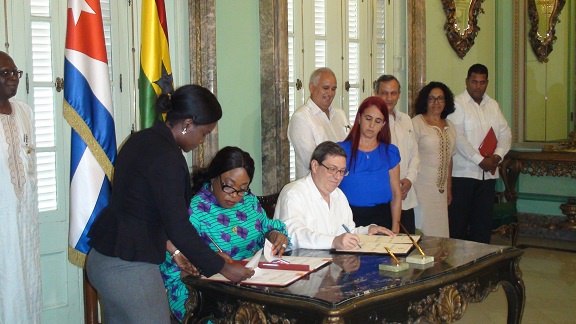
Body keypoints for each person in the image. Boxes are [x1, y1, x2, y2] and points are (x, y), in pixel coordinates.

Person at [86, 85, 254, 324]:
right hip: (129, 269)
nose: (202, 142)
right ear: (187, 124)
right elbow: (179, 226)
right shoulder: (167, 158)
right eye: (204, 134)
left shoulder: (140, 140)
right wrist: (222, 268)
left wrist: (174, 251)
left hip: (104, 261)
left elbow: (141, 208)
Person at [159, 146, 289, 322]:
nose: (235, 196)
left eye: (242, 188)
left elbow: (267, 227)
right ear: (214, 177)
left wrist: (274, 234)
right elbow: (175, 268)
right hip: (203, 292)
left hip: (251, 284)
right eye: (229, 186)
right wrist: (211, 261)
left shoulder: (249, 202)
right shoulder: (194, 211)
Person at [274, 141, 395, 250]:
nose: (337, 177)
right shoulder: (294, 193)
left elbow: (347, 232)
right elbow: (293, 235)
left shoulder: (338, 195)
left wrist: (368, 230)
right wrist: (333, 241)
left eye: (342, 171)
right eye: (332, 169)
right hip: (298, 265)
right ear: (315, 166)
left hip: (331, 264)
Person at [447, 64, 511, 243]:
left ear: (487, 83)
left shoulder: (493, 105)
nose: (478, 86)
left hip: (488, 175)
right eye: (474, 82)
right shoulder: (457, 104)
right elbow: (457, 136)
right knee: (458, 224)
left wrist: (497, 156)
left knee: (482, 224)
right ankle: (459, 264)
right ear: (467, 81)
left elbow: (505, 132)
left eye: (482, 82)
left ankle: (481, 264)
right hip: (463, 175)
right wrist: (479, 160)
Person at [0, 51, 42, 323]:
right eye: (6, 73)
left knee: (27, 284)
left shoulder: (24, 111)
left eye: (16, 72)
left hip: (25, 218)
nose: (13, 78)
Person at [337, 96, 402, 233]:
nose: (372, 125)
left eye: (377, 121)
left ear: (383, 124)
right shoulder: (341, 151)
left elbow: (396, 193)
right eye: (368, 118)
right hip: (349, 219)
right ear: (359, 118)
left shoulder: (390, 152)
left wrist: (395, 227)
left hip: (383, 219)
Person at [374, 75, 419, 233]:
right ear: (376, 93)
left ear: (399, 94)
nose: (389, 98)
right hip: (384, 198)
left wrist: (409, 180)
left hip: (406, 196)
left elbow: (415, 155)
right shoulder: (371, 122)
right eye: (384, 93)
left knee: (408, 247)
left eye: (393, 93)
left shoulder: (406, 120)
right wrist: (394, 187)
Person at [412, 82, 457, 237]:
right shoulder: (417, 123)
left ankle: (439, 261)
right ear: (425, 101)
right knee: (424, 230)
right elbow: (411, 156)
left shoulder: (450, 125)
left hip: (441, 190)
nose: (436, 103)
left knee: (441, 233)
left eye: (440, 99)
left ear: (446, 102)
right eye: (431, 99)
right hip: (421, 188)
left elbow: (449, 158)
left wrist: (449, 187)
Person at [288, 67, 349, 179]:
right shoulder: (301, 118)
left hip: (342, 183)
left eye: (333, 89)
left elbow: (351, 147)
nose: (330, 93)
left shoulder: (340, 114)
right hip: (313, 189)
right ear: (312, 88)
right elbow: (312, 161)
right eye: (325, 88)